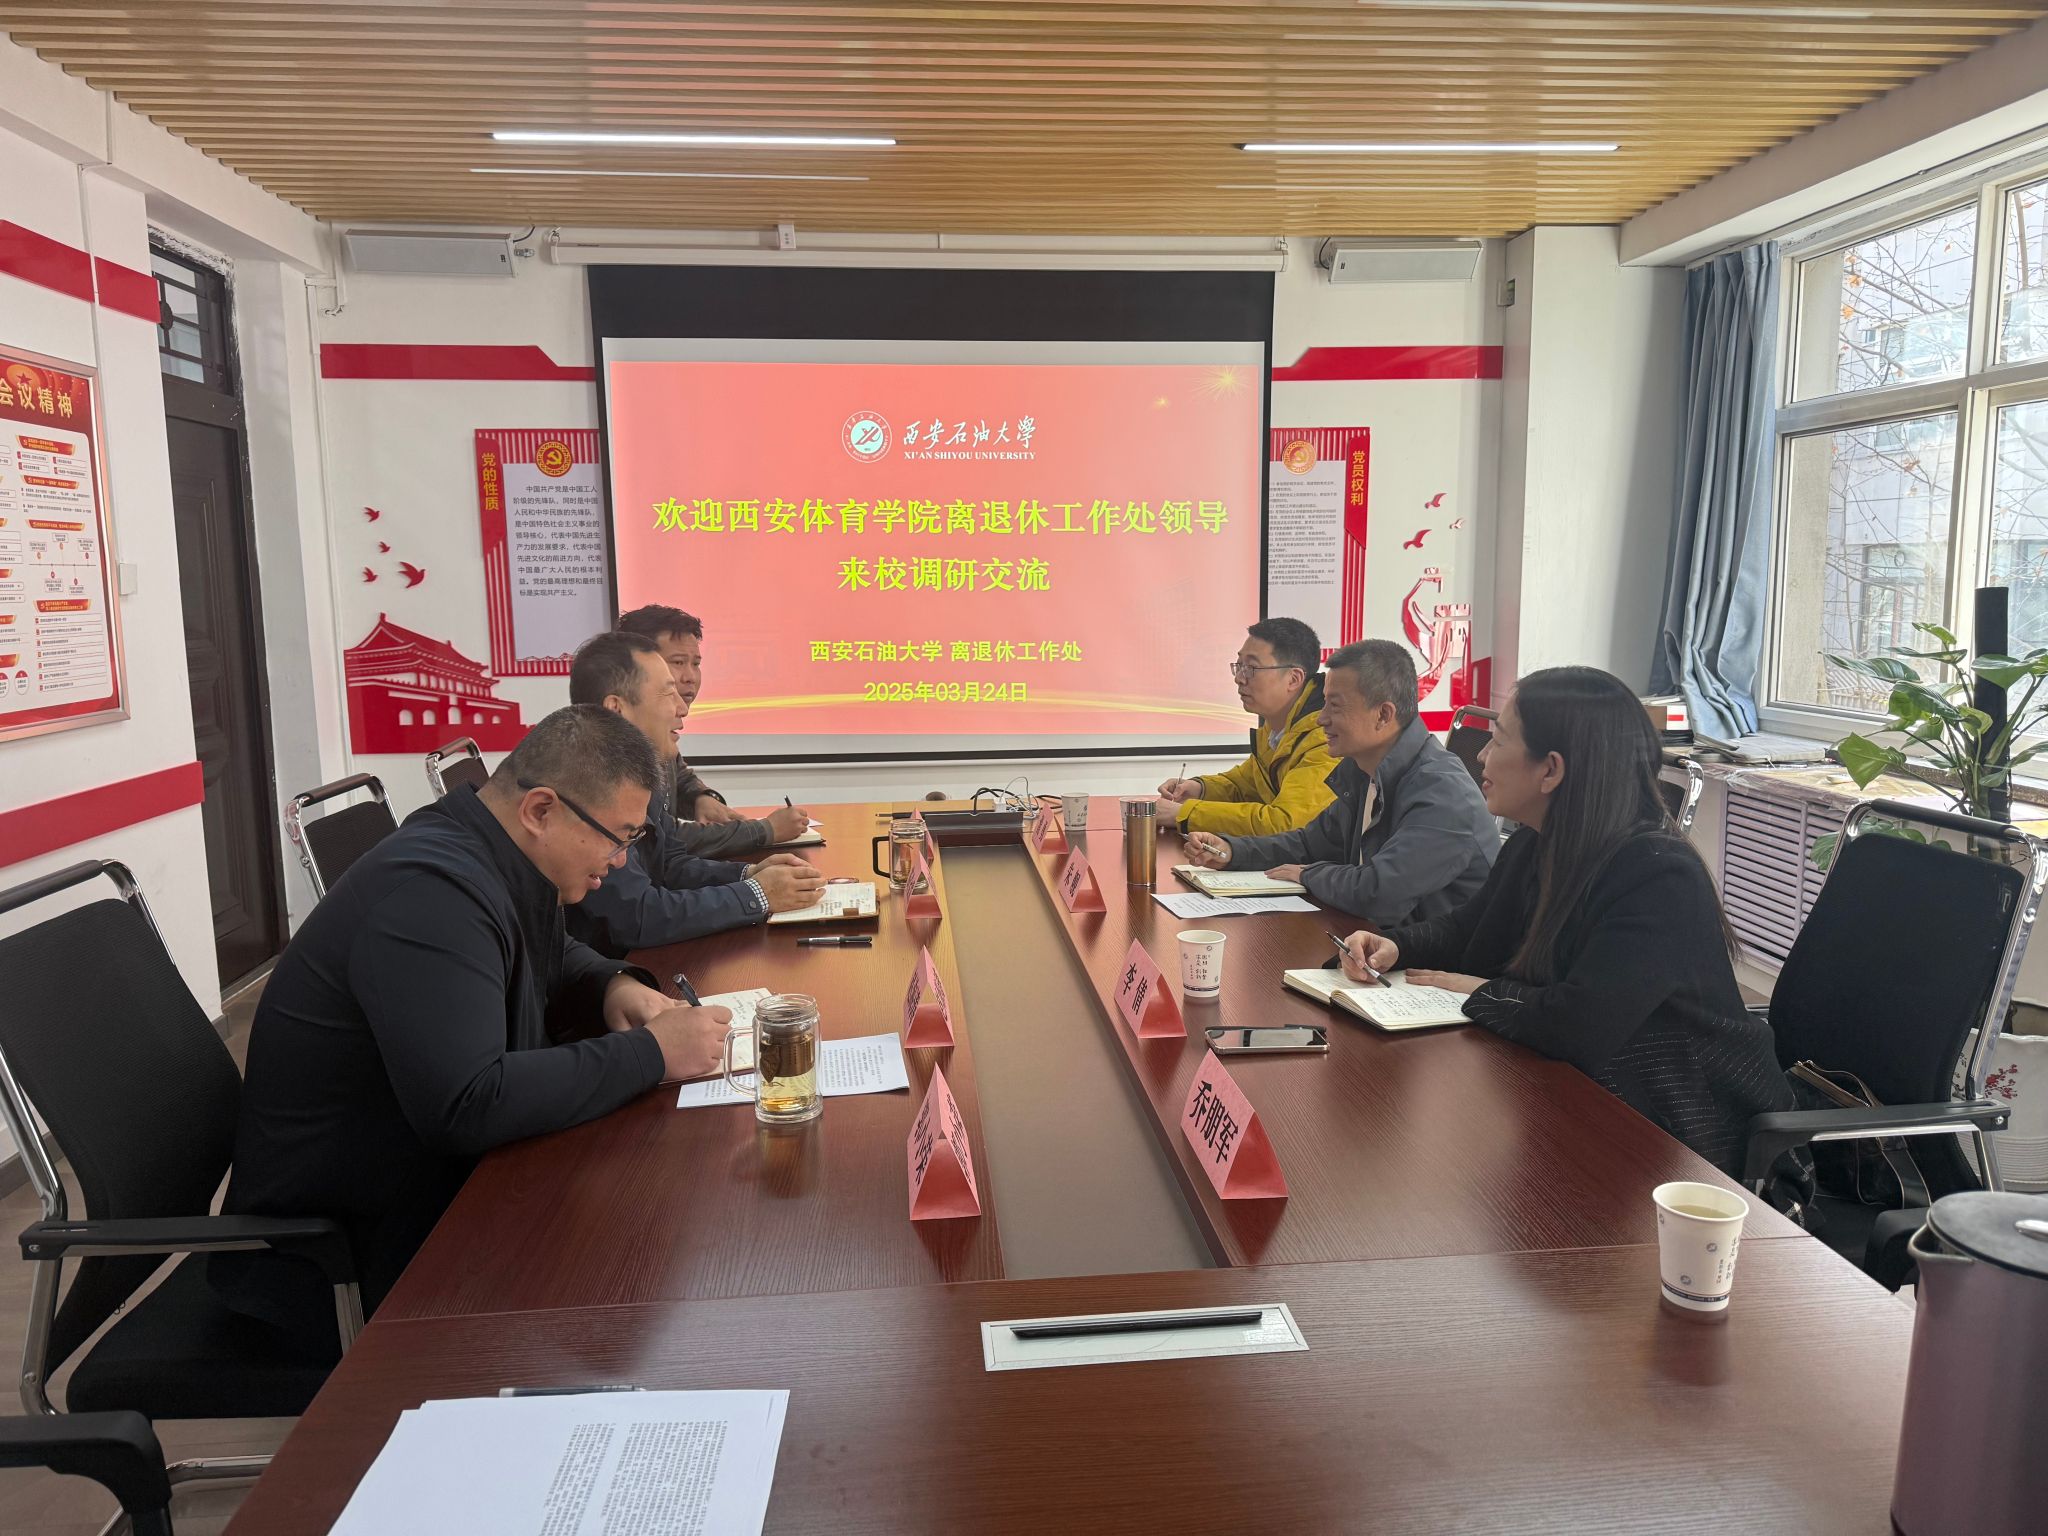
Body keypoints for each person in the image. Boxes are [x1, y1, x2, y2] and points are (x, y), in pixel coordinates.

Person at [212, 705, 733, 1321]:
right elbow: (469, 1103)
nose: (620, 860)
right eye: (617, 837)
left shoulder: (489, 850)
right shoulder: (430, 893)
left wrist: (610, 985)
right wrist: (652, 1053)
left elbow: (540, 948)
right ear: (541, 811)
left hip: (439, 1194)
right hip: (341, 1261)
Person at [1338, 666, 1795, 1177]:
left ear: (1550, 770)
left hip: (1684, 1139)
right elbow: (1467, 930)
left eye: (1499, 740)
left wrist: (1478, 991)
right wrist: (1394, 946)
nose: (1482, 756)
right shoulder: (1536, 842)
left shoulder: (1659, 875)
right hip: (1587, 1098)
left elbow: (1577, 1025)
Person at [1183, 638, 1497, 927]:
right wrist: (1232, 851)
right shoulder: (1362, 770)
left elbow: (1380, 892)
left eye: (1335, 706)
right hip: (1374, 944)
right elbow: (1309, 844)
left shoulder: (1443, 792)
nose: (1321, 719)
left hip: (1436, 964)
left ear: (1383, 715)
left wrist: (1309, 875)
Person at [564, 631, 825, 956]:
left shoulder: (637, 771)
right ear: (617, 709)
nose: (682, 708)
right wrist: (757, 894)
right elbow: (639, 916)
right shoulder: (589, 785)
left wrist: (748, 873)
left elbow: (671, 864)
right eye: (667, 693)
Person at [615, 604, 808, 858]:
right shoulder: (615, 746)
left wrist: (701, 798)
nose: (690, 677)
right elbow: (663, 838)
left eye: (695, 664)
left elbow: (677, 774)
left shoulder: (656, 727)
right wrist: (765, 830)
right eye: (678, 662)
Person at [1156, 617, 1338, 837]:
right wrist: (1199, 788)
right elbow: (1244, 785)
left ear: (1293, 679)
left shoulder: (1327, 739)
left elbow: (1284, 823)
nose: (1239, 679)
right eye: (1239, 666)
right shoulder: (1278, 728)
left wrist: (1184, 814)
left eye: (1251, 668)